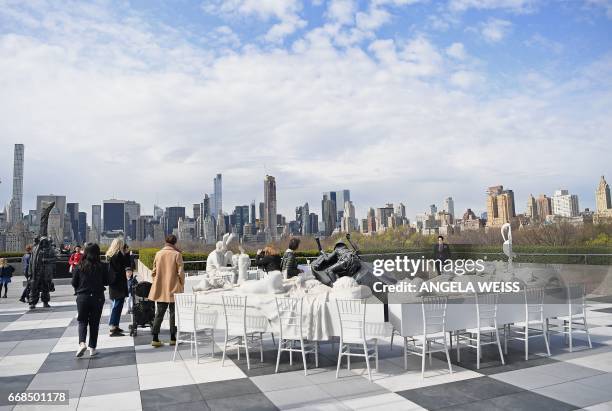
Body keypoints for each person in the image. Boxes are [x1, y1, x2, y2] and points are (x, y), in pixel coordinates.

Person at [72, 243, 111, 357]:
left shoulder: (80, 265)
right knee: (94, 323)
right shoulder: (102, 266)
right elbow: (106, 282)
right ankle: (92, 348)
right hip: (98, 297)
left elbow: (74, 282)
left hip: (82, 297)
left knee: (82, 320)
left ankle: (82, 343)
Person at [148, 235, 185, 347]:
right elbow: (181, 272)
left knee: (159, 313)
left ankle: (155, 338)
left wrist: (157, 282)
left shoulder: (158, 254)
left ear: (165, 242)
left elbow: (153, 272)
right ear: (175, 242)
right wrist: (181, 284)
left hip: (161, 288)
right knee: (174, 314)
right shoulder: (177, 254)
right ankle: (173, 338)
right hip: (174, 288)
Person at [106, 238, 131, 337]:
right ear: (119, 245)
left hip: (114, 284)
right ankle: (113, 327)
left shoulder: (110, 255)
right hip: (118, 284)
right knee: (117, 305)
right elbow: (127, 264)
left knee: (116, 305)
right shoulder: (118, 255)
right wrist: (127, 253)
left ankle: (115, 325)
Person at [28, 236, 56, 309]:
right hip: (36, 272)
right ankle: (32, 303)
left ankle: (45, 302)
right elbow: (31, 261)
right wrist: (29, 273)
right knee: (34, 288)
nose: (43, 243)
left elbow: (54, 259)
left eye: (45, 242)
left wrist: (46, 260)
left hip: (46, 272)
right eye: (42, 242)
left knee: (46, 288)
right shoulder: (35, 250)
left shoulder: (50, 249)